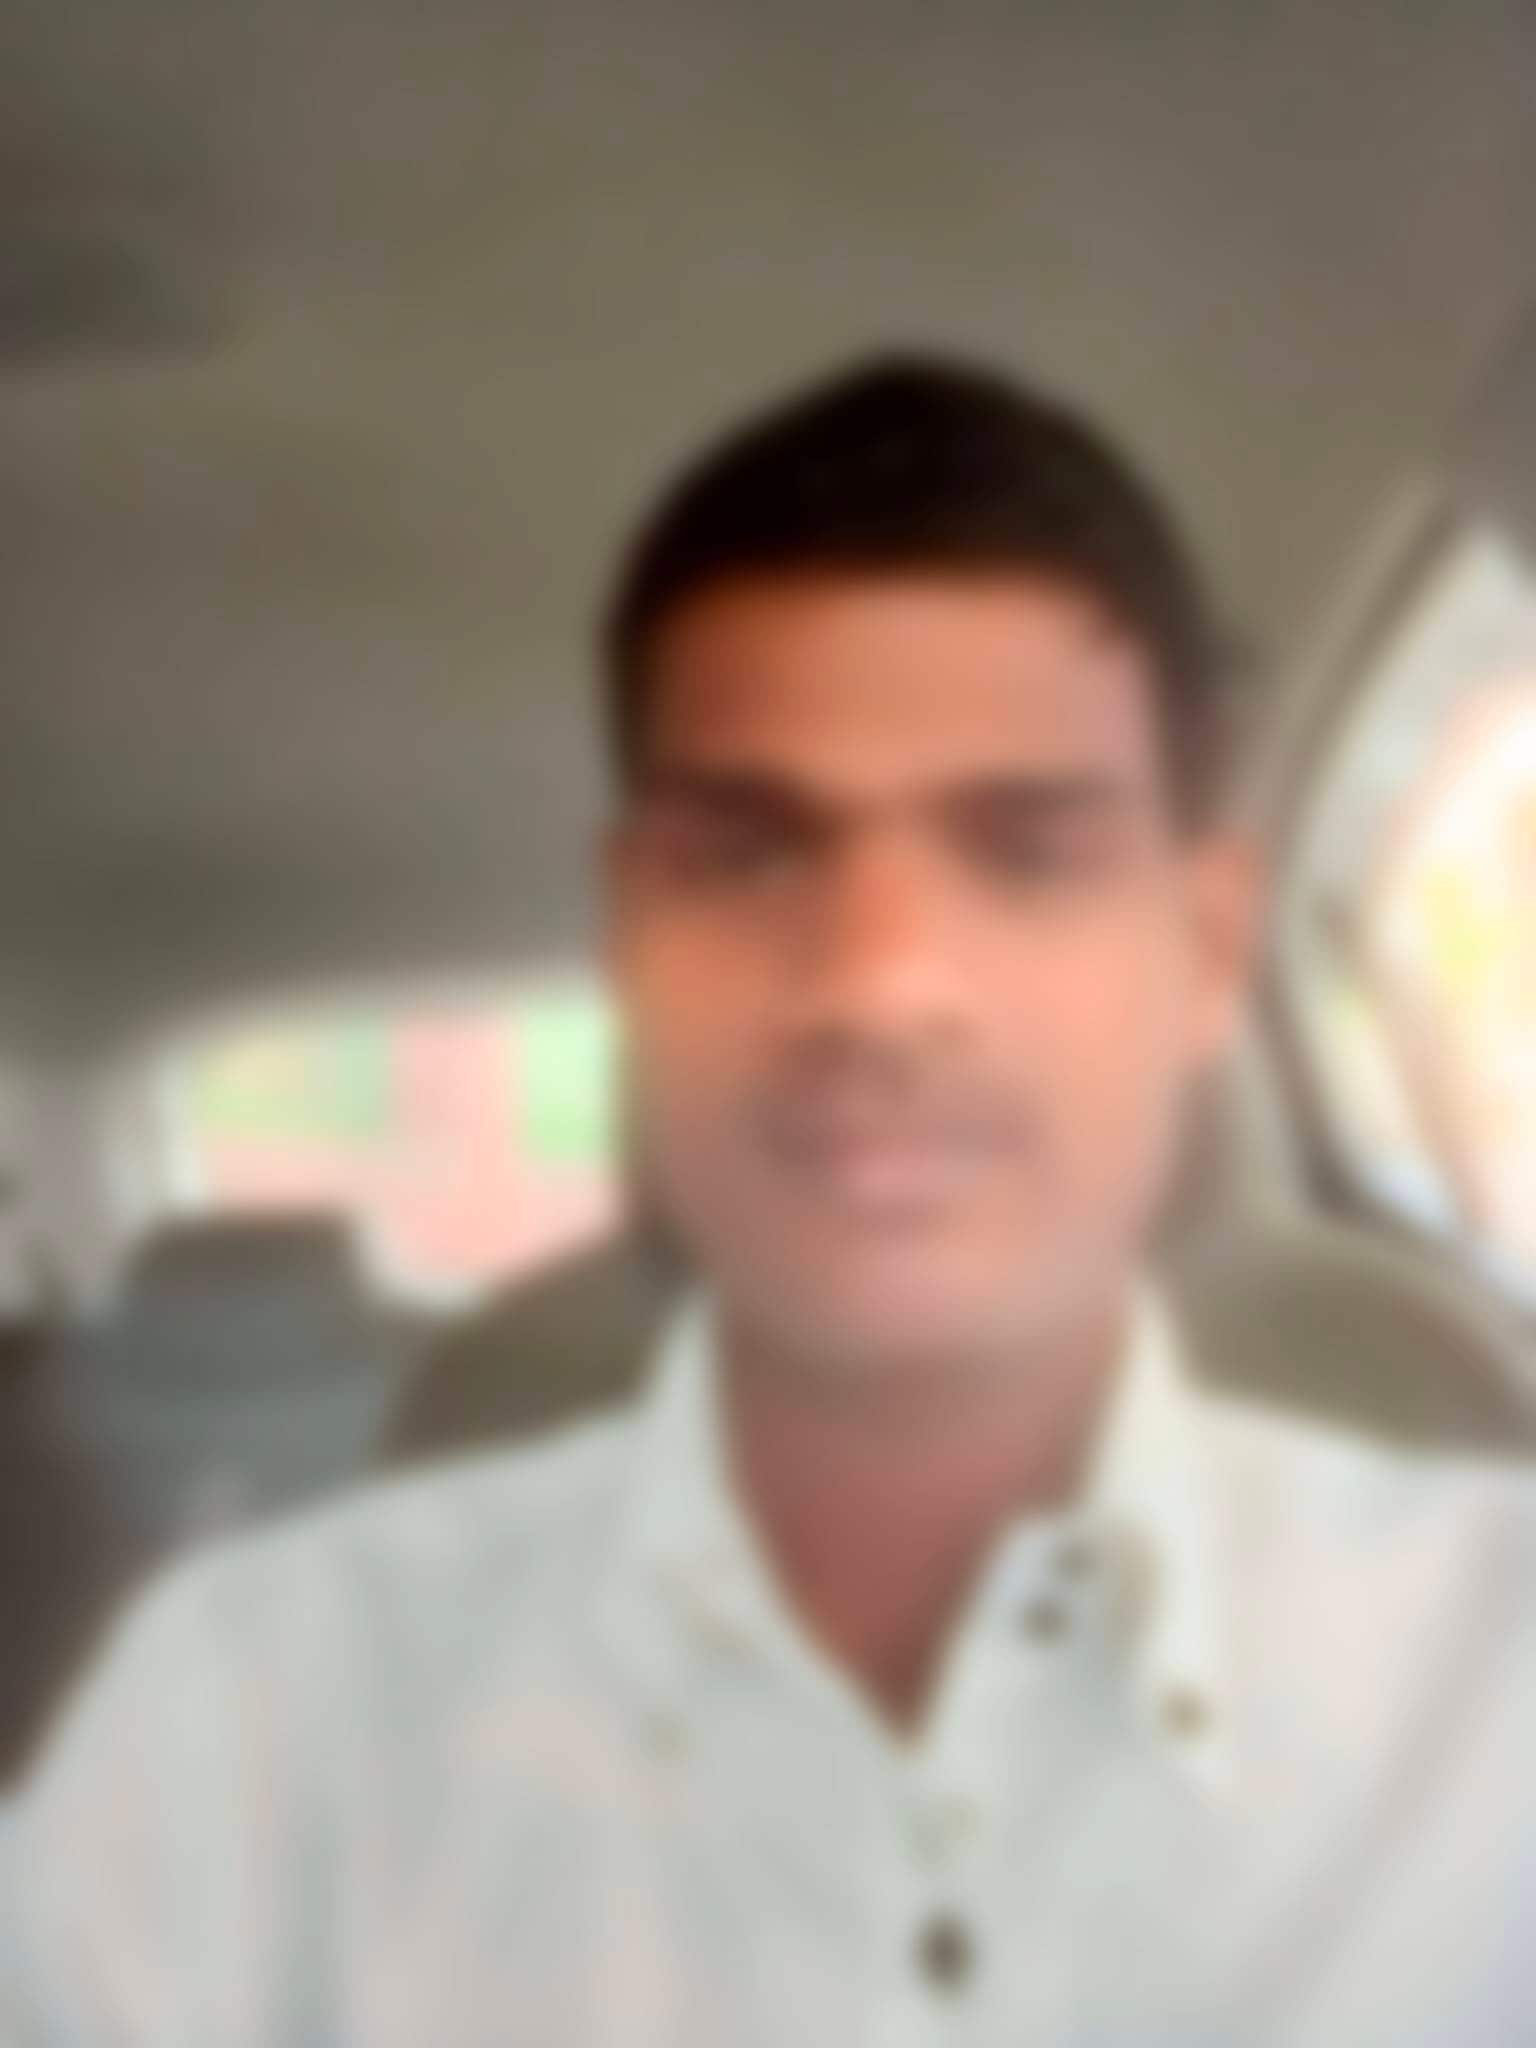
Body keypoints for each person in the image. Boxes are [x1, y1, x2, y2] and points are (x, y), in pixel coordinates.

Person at [6, 356, 1536, 2045]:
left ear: (1210, 951)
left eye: (1026, 851)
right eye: (743, 854)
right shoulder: (238, 1733)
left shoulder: (1502, 1682)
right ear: (624, 940)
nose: (878, 982)